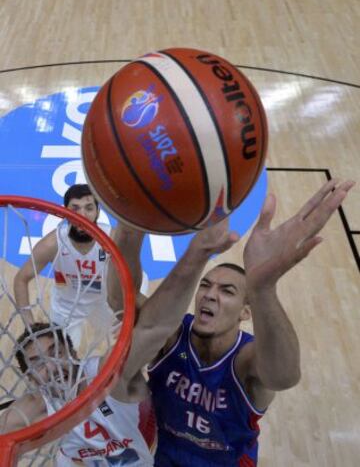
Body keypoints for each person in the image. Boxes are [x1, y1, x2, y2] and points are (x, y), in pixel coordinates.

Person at [1, 213, 241, 465]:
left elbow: (155, 328)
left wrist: (196, 254)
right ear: (28, 377)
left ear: (72, 352)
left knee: (121, 307)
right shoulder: (30, 408)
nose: (51, 366)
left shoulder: (109, 374)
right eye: (38, 362)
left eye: (55, 352)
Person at [145, 179, 355, 467]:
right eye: (205, 285)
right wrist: (131, 223)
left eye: (226, 291)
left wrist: (263, 289)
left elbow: (285, 377)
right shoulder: (172, 335)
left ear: (246, 312)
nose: (209, 295)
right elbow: (124, 304)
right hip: (163, 455)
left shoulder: (245, 359)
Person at [13, 183, 146, 348]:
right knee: (61, 356)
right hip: (67, 306)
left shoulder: (112, 240)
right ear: (65, 212)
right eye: (75, 208)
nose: (82, 215)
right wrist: (30, 327)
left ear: (97, 212)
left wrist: (132, 313)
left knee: (128, 343)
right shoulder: (53, 243)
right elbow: (21, 279)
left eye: (89, 208)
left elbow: (134, 279)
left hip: (107, 301)